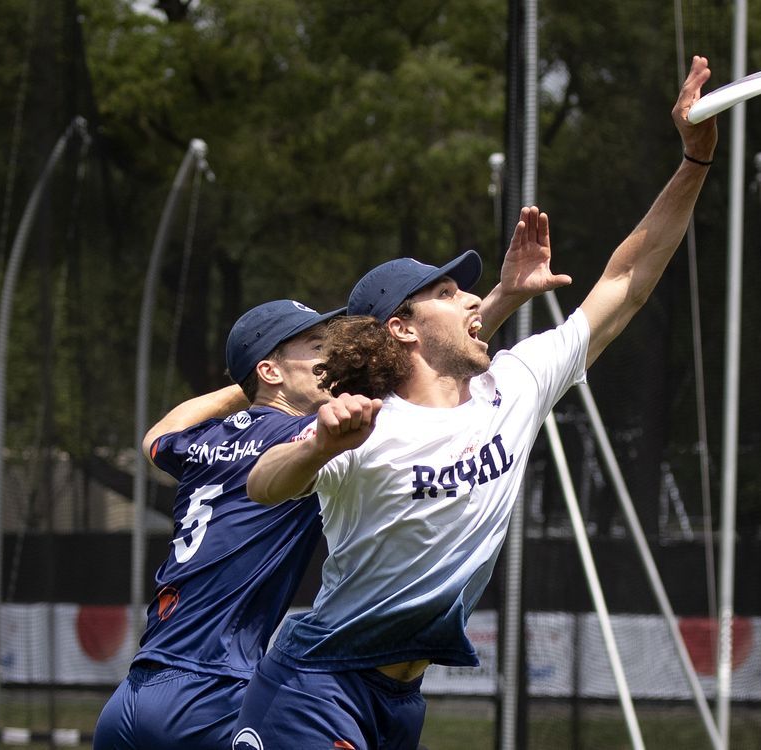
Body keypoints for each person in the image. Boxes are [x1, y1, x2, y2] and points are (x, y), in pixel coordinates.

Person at [234, 56, 718, 750]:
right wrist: (316, 446)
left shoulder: (513, 388)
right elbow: (263, 484)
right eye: (448, 293)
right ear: (401, 327)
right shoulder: (363, 425)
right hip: (317, 685)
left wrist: (692, 163)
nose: (471, 298)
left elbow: (627, 281)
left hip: (400, 700)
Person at [92, 245, 558, 749]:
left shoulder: (209, 440)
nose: (334, 356)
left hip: (136, 690)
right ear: (273, 372)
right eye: (316, 347)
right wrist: (497, 302)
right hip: (217, 690)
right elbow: (426, 362)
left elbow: (154, 437)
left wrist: (246, 387)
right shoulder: (313, 436)